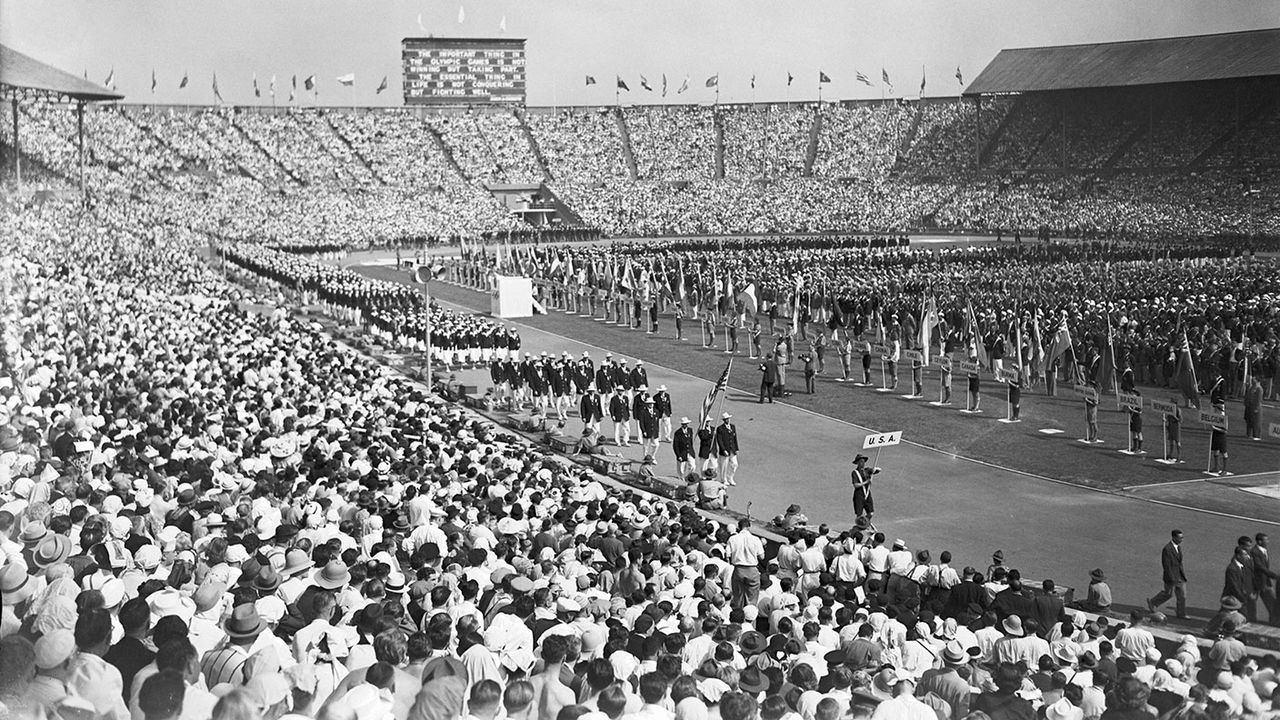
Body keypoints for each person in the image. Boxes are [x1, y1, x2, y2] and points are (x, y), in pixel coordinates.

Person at [1148, 529, 1188, 619]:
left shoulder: (1178, 547)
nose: (1182, 539)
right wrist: (1171, 578)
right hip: (1171, 577)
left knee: (1182, 596)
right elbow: (1166, 565)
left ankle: (1181, 614)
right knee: (1168, 594)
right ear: (1174, 538)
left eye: (1182, 537)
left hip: (1180, 576)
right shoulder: (1167, 549)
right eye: (1180, 538)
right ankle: (1153, 602)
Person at [727, 519, 765, 609]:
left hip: (738, 570)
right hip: (752, 570)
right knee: (752, 600)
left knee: (738, 599)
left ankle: (739, 617)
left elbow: (727, 554)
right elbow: (762, 557)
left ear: (739, 527)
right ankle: (750, 618)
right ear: (749, 527)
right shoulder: (755, 539)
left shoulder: (732, 539)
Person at [1251, 532, 1278, 626]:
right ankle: (1251, 623)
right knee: (1251, 604)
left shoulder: (1263, 550)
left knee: (1273, 603)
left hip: (1265, 581)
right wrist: (1273, 575)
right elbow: (1259, 566)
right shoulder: (1254, 552)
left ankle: (1274, 622)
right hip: (1257, 582)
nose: (1268, 541)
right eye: (1266, 540)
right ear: (1259, 541)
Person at [851, 454, 880, 522]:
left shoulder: (867, 470)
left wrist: (874, 470)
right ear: (857, 463)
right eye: (861, 461)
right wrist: (866, 482)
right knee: (859, 515)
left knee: (871, 513)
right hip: (859, 495)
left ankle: (864, 524)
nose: (863, 463)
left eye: (863, 461)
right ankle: (859, 526)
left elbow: (878, 470)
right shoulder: (855, 473)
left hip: (867, 494)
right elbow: (856, 485)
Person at [714, 413, 740, 486]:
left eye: (728, 419)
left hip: (732, 449)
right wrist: (723, 449)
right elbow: (720, 440)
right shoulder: (720, 428)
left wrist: (736, 448)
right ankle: (723, 479)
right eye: (725, 419)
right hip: (725, 450)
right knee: (724, 465)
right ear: (723, 420)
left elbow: (734, 438)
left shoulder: (732, 426)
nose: (727, 420)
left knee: (735, 464)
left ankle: (730, 477)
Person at [1209, 401, 1230, 475]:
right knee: (1215, 450)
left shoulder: (1223, 418)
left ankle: (1225, 469)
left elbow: (1225, 430)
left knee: (1224, 452)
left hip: (1221, 436)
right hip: (1216, 434)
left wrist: (1215, 428)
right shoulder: (1215, 416)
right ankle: (1216, 467)